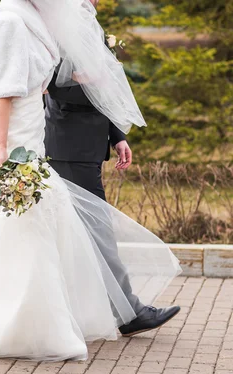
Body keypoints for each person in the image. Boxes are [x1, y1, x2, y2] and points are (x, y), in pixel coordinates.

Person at [0, 0, 181, 361]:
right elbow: (6, 91)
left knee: (46, 225)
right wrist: (2, 146)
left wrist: (105, 121)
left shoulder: (41, 21)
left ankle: (49, 313)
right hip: (27, 138)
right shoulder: (14, 22)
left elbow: (42, 79)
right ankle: (24, 317)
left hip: (34, 131)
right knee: (31, 222)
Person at [44, 0, 180, 337]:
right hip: (68, 145)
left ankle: (87, 309)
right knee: (98, 230)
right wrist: (92, 79)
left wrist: (117, 135)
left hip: (88, 145)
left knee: (80, 231)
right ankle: (128, 312)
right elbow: (49, 85)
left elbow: (102, 83)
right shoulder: (53, 22)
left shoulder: (84, 18)